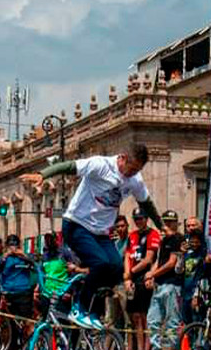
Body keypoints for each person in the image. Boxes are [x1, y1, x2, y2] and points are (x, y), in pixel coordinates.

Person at [19, 142, 163, 331]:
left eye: (137, 170)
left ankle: (92, 311)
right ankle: (80, 307)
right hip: (76, 225)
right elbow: (69, 166)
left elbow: (146, 203)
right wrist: (43, 174)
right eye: (131, 168)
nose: (132, 173)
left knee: (116, 268)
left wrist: (161, 226)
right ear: (122, 158)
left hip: (101, 233)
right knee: (100, 263)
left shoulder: (135, 180)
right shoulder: (100, 165)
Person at [144, 210, 184, 350]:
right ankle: (156, 349)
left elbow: (172, 262)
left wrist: (153, 273)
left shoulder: (178, 239)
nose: (166, 225)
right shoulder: (163, 240)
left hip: (172, 283)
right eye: (165, 221)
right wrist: (151, 275)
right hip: (160, 284)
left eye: (170, 222)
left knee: (171, 319)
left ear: (176, 223)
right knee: (153, 318)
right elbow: (159, 260)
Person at [124, 208, 161, 350]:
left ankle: (147, 349)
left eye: (141, 218)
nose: (139, 221)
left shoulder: (153, 234)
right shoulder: (132, 236)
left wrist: (132, 272)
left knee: (145, 315)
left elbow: (148, 259)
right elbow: (127, 255)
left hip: (144, 277)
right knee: (135, 316)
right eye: (136, 219)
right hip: (132, 278)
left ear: (147, 219)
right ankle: (139, 349)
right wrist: (127, 276)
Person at [0, 234, 36, 350]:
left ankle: (29, 348)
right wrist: (5, 257)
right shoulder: (5, 258)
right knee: (11, 323)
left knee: (26, 321)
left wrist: (22, 254)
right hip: (9, 293)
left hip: (23, 292)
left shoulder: (23, 257)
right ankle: (12, 349)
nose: (13, 248)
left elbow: (35, 264)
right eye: (11, 245)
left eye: (15, 245)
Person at [106, 216, 130, 330]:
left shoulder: (130, 242)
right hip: (113, 284)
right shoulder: (114, 244)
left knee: (128, 318)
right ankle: (109, 347)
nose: (120, 229)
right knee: (111, 319)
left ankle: (131, 347)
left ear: (127, 226)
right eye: (118, 227)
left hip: (125, 283)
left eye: (122, 226)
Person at [178, 229, 206, 325]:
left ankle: (199, 340)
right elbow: (178, 270)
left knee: (197, 322)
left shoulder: (203, 256)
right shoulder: (187, 255)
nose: (194, 244)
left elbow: (203, 277)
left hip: (197, 295)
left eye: (196, 242)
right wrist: (181, 254)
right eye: (192, 242)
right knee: (187, 323)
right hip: (185, 294)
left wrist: (196, 296)